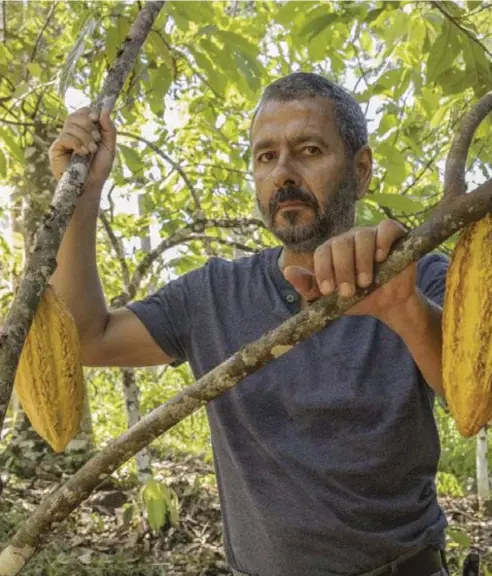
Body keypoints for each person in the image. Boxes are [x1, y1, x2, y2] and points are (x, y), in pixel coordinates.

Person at [49, 72, 450, 576]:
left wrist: (404, 308)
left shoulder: (416, 274)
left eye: (308, 150)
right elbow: (87, 339)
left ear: (362, 169)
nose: (283, 174)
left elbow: (471, 386)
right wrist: (81, 196)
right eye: (266, 157)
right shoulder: (213, 295)